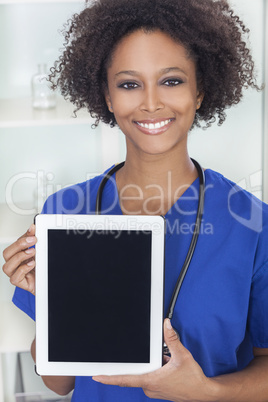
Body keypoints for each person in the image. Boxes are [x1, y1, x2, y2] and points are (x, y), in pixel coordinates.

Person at [2, 0, 268, 400]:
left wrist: (205, 391)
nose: (150, 103)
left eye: (172, 81)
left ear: (200, 92)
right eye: (129, 84)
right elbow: (59, 382)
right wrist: (56, 306)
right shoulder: (63, 210)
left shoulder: (252, 223)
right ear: (107, 96)